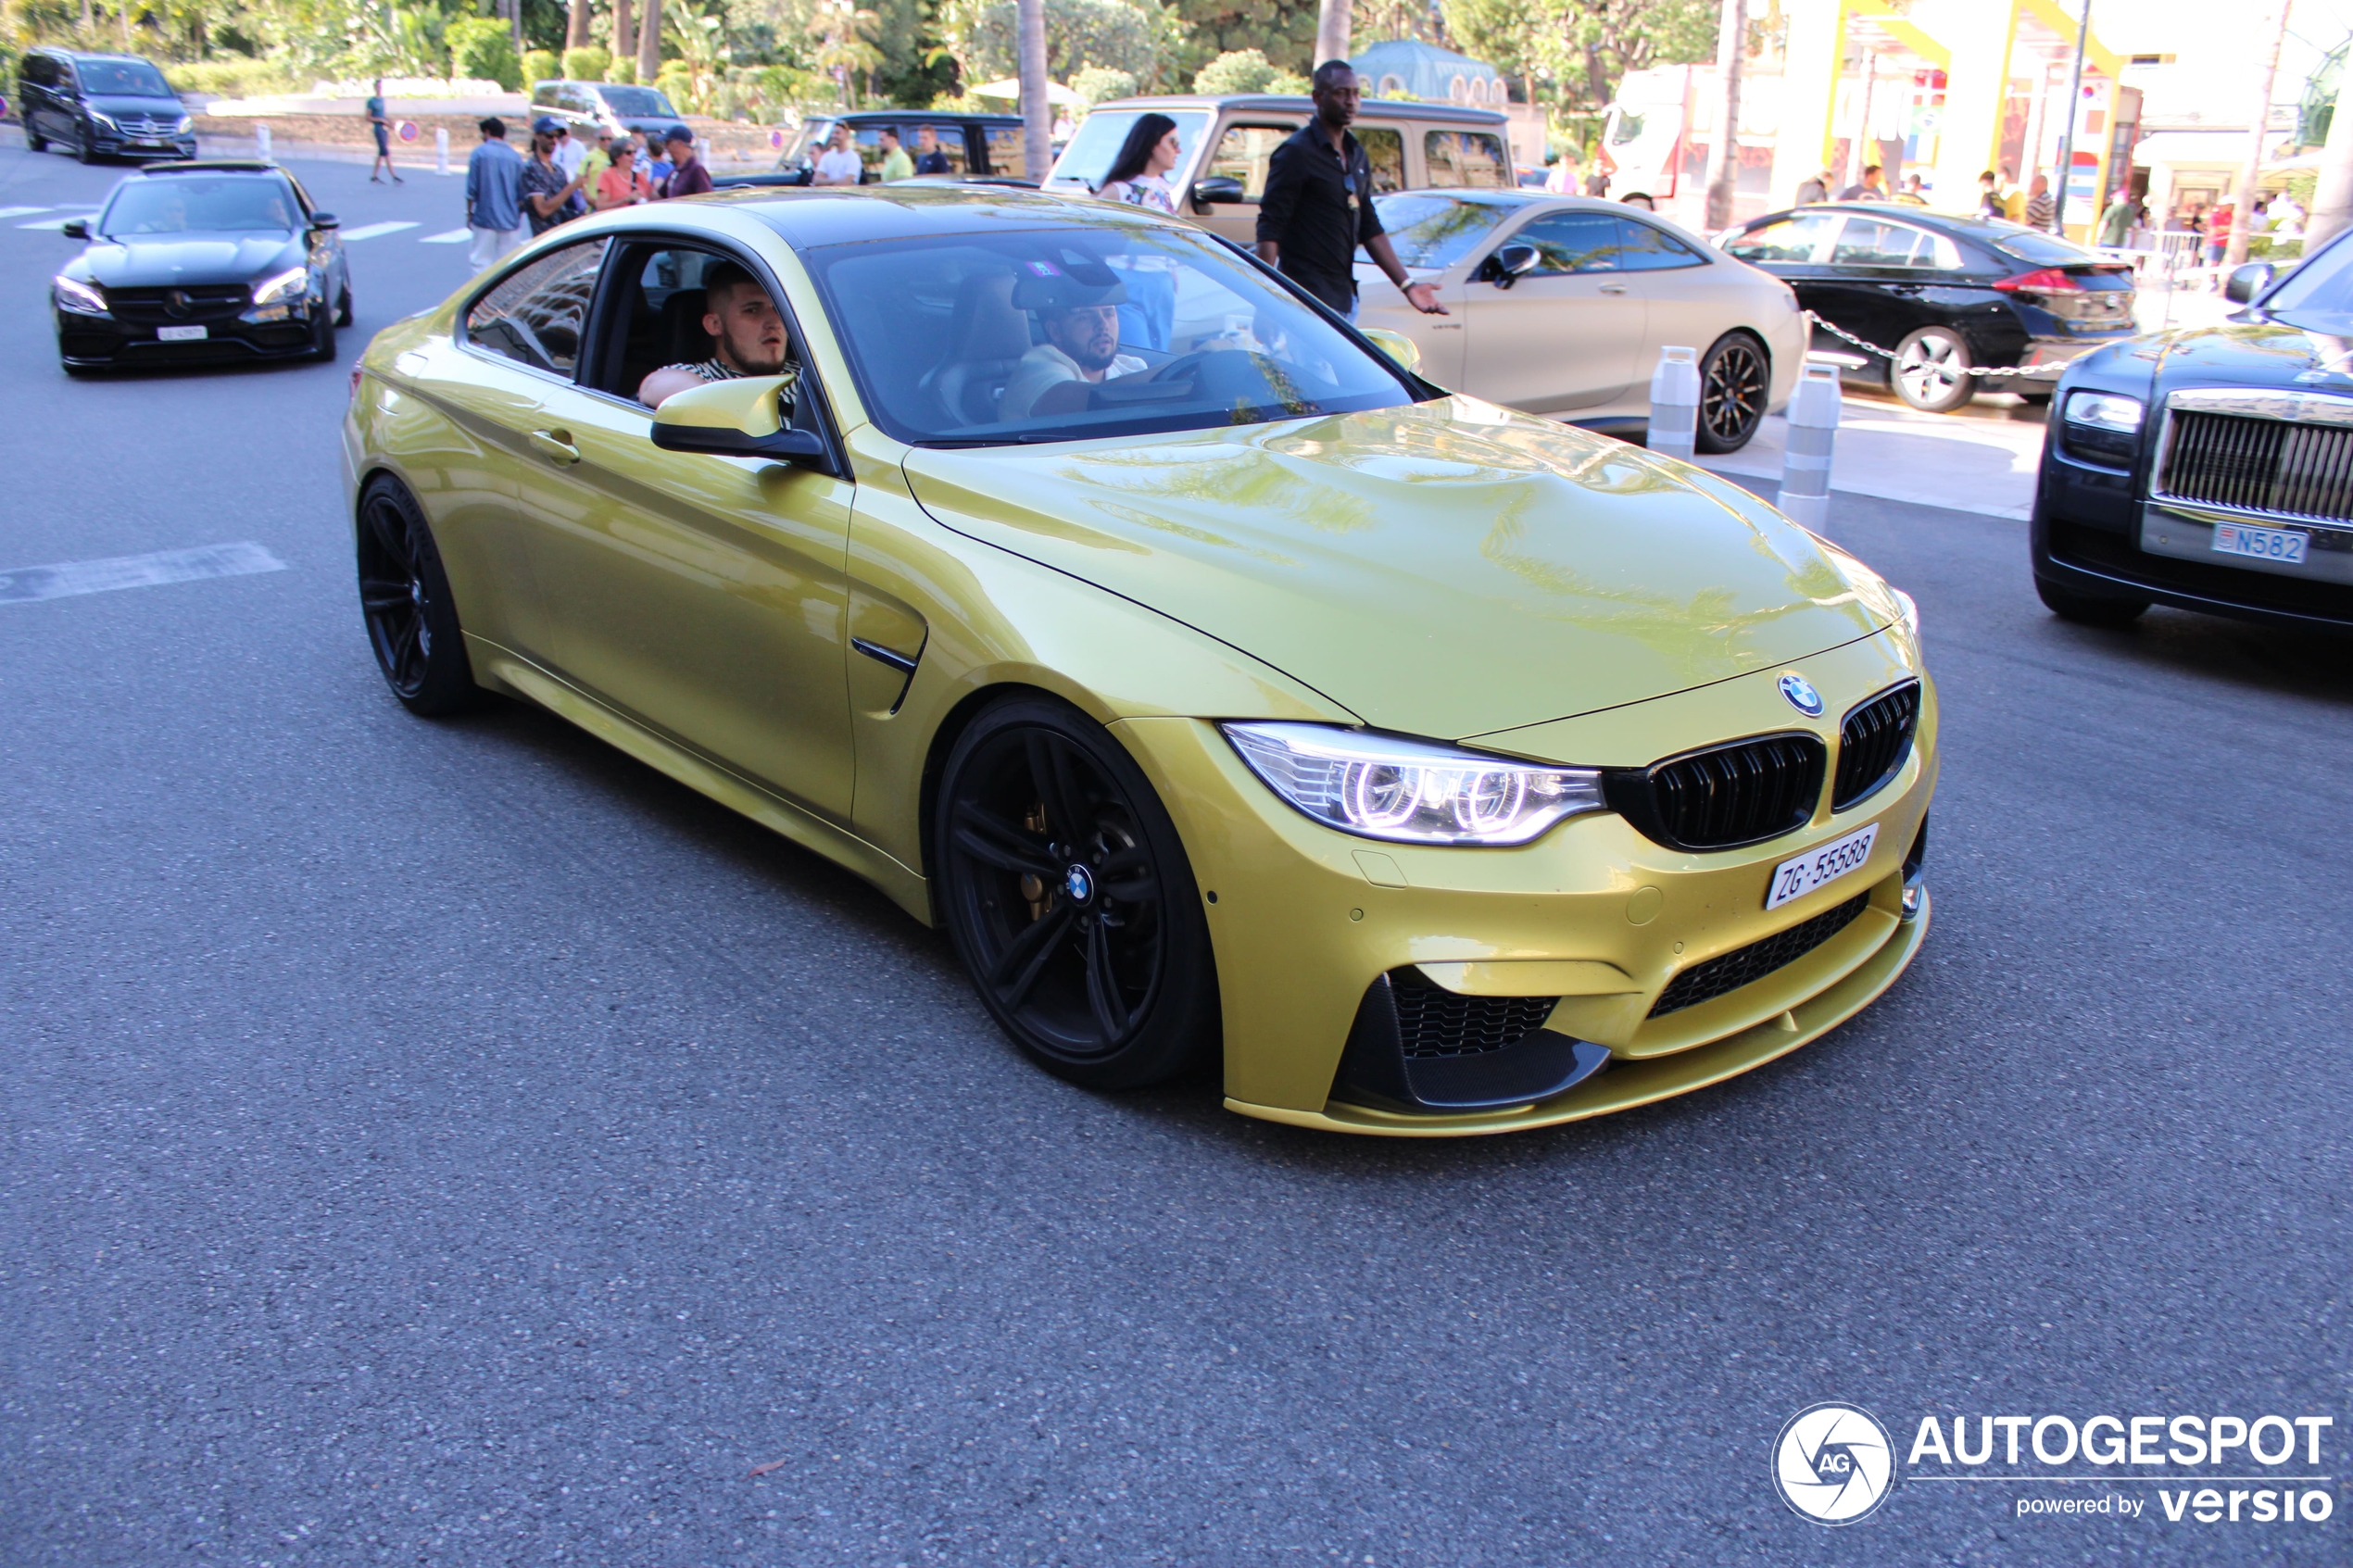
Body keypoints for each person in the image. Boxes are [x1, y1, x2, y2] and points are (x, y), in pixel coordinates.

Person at [1254, 61, 1444, 321]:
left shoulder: (1355, 153)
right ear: (1317, 97)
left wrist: (1408, 286)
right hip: (1305, 300)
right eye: (1341, 92)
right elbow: (1270, 229)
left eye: (1356, 93)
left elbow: (1369, 225)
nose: (1351, 101)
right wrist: (1265, 303)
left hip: (1344, 297)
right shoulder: (1296, 153)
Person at [637, 261, 797, 408]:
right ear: (714, 324)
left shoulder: (809, 375)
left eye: (778, 309)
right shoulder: (702, 377)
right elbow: (652, 385)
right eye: (752, 310)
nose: (775, 322)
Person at [1000, 293, 1146, 420]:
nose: (1103, 325)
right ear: (1055, 331)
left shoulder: (1130, 368)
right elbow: (1095, 403)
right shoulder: (1035, 370)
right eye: (1084, 317)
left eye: (1109, 314)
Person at [463, 117, 525, 270]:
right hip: (510, 219)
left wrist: (469, 213)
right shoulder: (515, 157)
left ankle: (484, 292)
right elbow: (521, 193)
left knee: (480, 261)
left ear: (487, 132)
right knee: (509, 265)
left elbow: (472, 190)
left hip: (485, 217)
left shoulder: (479, 154)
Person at [1093, 112, 1180, 213]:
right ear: (1151, 143)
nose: (1179, 150)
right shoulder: (1117, 192)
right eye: (1173, 143)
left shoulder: (1164, 188)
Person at [520, 116, 588, 235]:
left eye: (558, 137)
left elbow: (570, 204)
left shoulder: (559, 170)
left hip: (563, 235)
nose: (554, 140)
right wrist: (572, 186)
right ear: (537, 136)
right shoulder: (532, 168)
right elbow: (543, 210)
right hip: (544, 239)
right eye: (549, 135)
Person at [594, 141, 653, 208]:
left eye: (635, 152)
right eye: (628, 153)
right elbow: (600, 206)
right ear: (616, 156)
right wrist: (625, 200)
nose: (633, 156)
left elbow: (653, 197)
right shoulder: (607, 175)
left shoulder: (639, 176)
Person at [365, 79, 402, 184]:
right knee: (385, 152)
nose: (379, 89)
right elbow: (368, 117)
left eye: (380, 87)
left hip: (384, 128)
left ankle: (374, 176)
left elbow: (383, 115)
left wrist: (390, 123)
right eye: (377, 86)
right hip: (378, 128)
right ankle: (394, 175)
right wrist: (380, 120)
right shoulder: (371, 101)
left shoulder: (382, 100)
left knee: (381, 153)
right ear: (374, 88)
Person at [660, 125, 712, 197]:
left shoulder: (697, 170)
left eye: (668, 143)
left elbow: (706, 199)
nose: (666, 148)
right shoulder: (676, 170)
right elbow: (660, 195)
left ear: (679, 144)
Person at [812, 123, 862, 187]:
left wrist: (825, 182)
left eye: (837, 133)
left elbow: (845, 183)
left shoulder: (853, 158)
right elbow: (816, 180)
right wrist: (836, 181)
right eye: (833, 133)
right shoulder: (827, 156)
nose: (834, 136)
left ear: (846, 135)